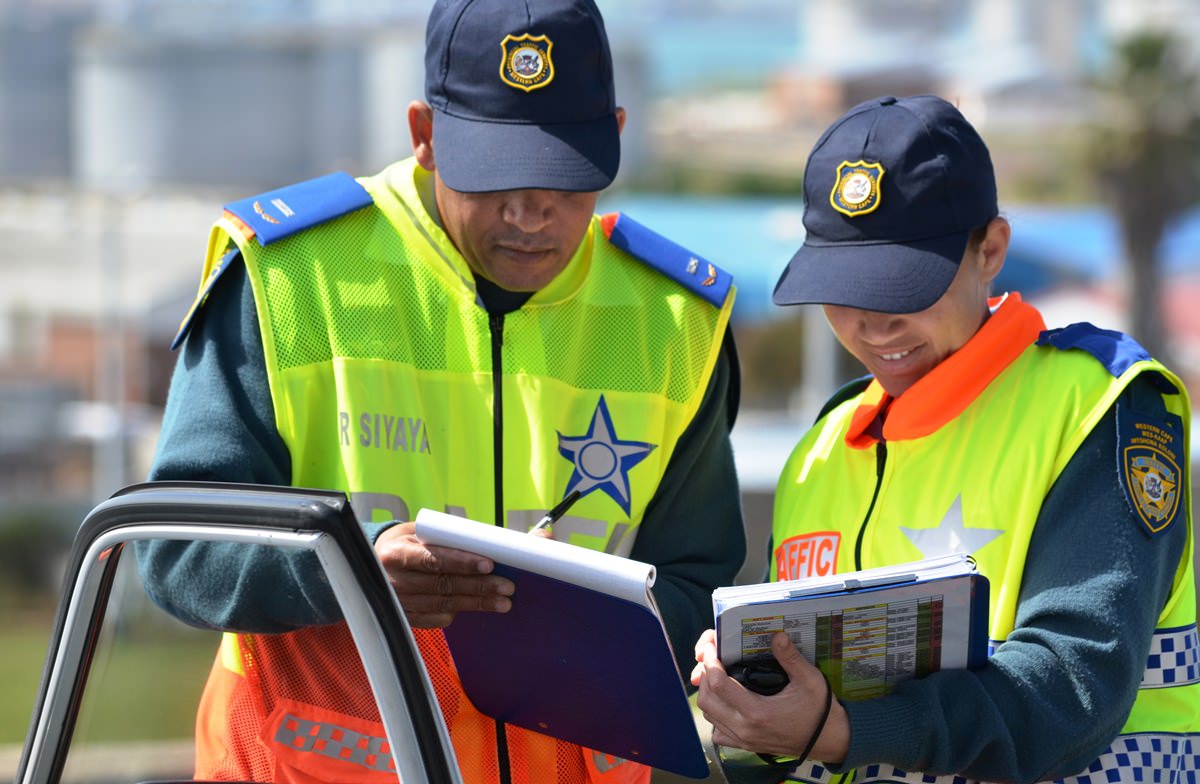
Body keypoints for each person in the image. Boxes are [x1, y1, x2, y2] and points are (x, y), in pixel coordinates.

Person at [136, 0, 747, 782]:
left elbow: (700, 588)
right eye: (494, 178)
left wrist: (586, 617)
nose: (530, 213)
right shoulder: (289, 279)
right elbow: (177, 552)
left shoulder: (674, 320)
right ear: (423, 135)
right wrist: (350, 572)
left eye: (564, 179)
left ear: (616, 136)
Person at [690, 95, 1200, 784]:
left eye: (905, 288)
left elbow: (1074, 684)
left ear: (990, 249)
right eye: (843, 289)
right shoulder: (824, 447)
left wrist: (842, 730)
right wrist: (745, 702)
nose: (875, 325)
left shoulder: (1098, 405)